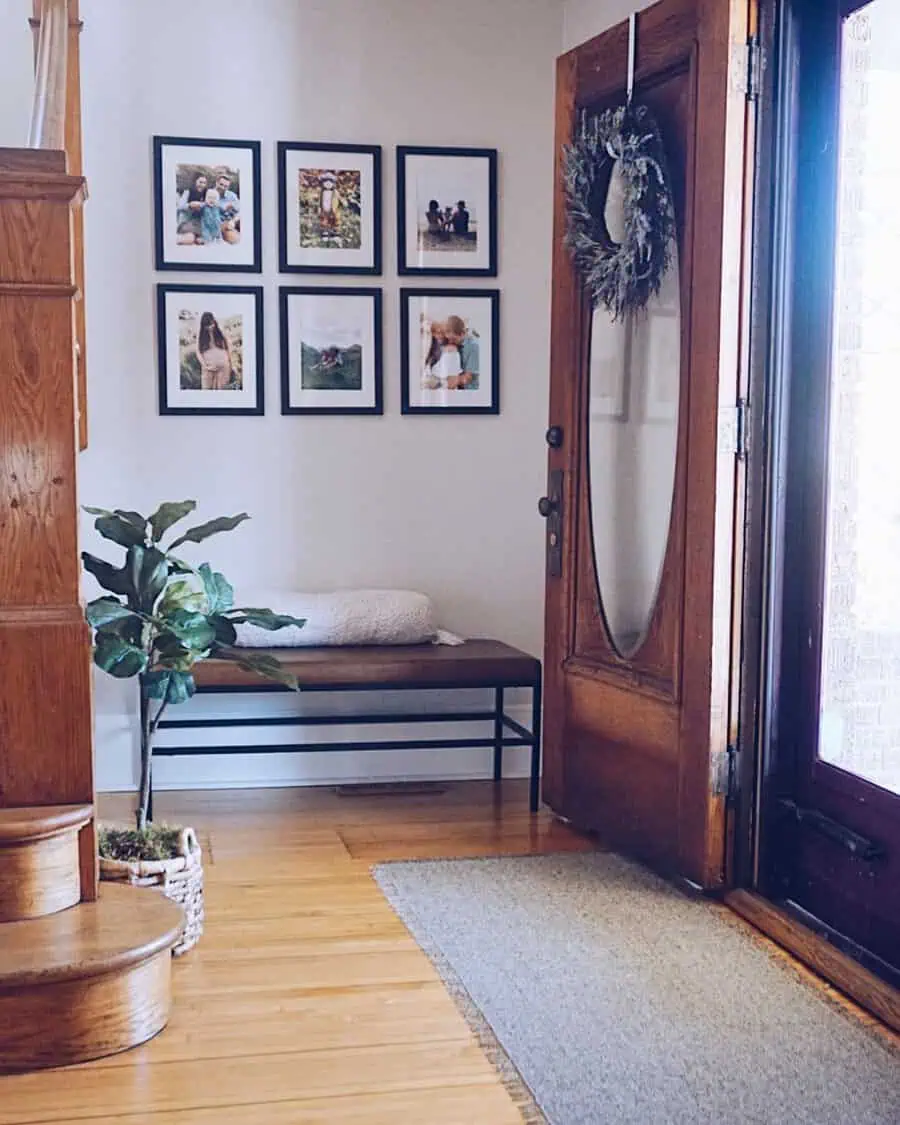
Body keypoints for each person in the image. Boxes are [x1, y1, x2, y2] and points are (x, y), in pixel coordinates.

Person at [195, 312, 236, 390]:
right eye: (207, 326)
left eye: (211, 324)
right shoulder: (200, 334)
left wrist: (231, 365)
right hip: (208, 368)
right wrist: (205, 366)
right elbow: (198, 351)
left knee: (222, 392)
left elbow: (228, 349)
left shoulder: (221, 332)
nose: (210, 327)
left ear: (214, 321)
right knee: (206, 392)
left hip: (223, 367)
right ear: (203, 326)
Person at [442, 314, 479, 389]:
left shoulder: (473, 347)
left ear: (462, 334)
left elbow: (468, 378)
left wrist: (444, 383)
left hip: (470, 390)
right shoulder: (452, 344)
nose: (451, 342)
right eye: (449, 339)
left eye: (454, 339)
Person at [176, 173, 208, 245]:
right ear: (195, 182)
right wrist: (189, 205)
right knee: (190, 238)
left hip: (199, 224)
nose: (202, 185)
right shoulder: (188, 192)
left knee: (202, 240)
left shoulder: (206, 194)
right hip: (187, 222)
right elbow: (179, 206)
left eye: (204, 183)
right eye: (200, 182)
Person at [214, 170, 241, 244]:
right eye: (221, 184)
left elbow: (241, 211)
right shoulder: (209, 194)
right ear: (216, 182)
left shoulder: (232, 195)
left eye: (226, 186)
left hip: (231, 221)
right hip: (219, 224)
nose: (223, 187)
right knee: (235, 239)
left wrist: (234, 221)